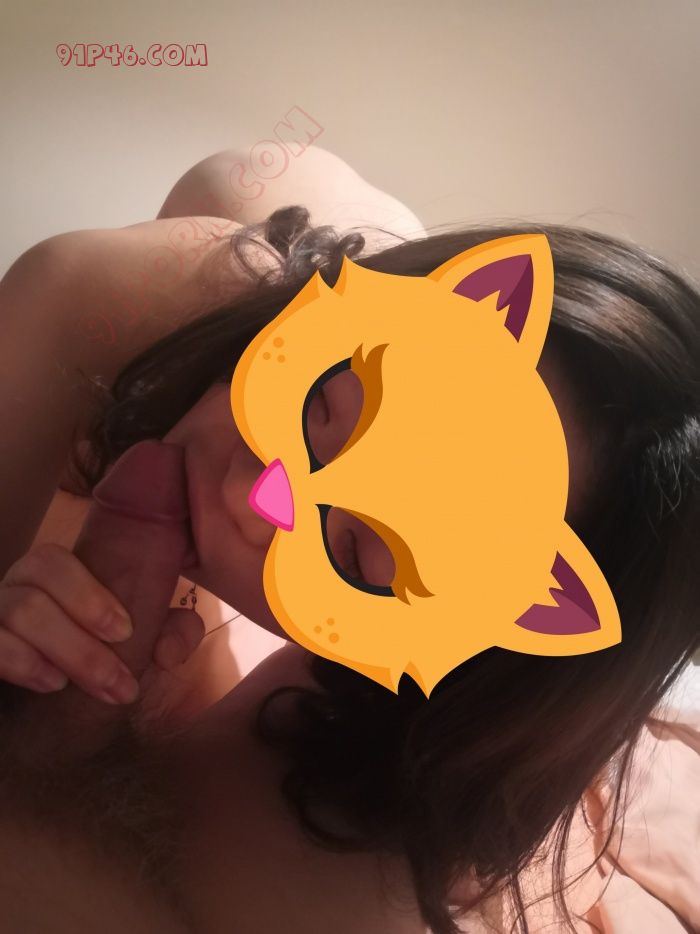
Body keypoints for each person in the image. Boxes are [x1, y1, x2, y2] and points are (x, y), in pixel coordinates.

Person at [0, 145, 698, 934]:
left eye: (354, 553)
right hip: (270, 264)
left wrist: (60, 740)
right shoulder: (94, 291)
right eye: (319, 409)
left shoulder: (426, 767)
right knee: (259, 177)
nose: (247, 498)